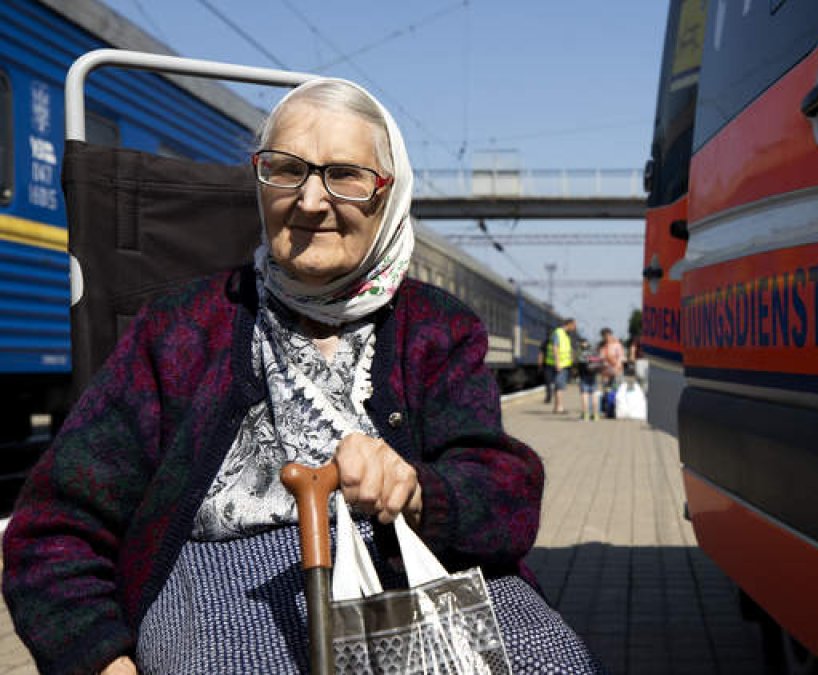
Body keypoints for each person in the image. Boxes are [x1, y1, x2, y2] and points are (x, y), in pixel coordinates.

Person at [1, 78, 602, 675]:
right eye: (286, 169)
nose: (311, 201)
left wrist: (417, 490)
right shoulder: (178, 330)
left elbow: (508, 502)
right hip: (220, 588)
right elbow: (51, 531)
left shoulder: (439, 328)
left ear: (388, 196)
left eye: (345, 174)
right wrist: (101, 660)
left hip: (414, 572)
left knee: (553, 662)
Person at [548, 317, 575, 414]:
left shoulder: (565, 334)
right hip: (560, 365)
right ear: (569, 324)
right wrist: (557, 363)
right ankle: (559, 407)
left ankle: (556, 407)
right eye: (574, 325)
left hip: (564, 364)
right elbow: (555, 347)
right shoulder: (559, 332)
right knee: (560, 386)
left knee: (558, 386)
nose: (574, 328)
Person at [575, 339, 600, 421]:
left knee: (584, 395)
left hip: (583, 377)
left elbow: (576, 365)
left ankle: (586, 415)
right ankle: (596, 415)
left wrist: (576, 376)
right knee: (594, 395)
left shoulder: (580, 352)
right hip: (593, 377)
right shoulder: (594, 352)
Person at [599, 327, 626, 391]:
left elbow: (621, 357)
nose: (606, 337)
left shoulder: (617, 345)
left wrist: (617, 367)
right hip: (606, 372)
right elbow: (601, 358)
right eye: (604, 336)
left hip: (617, 371)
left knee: (617, 391)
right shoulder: (602, 346)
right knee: (607, 391)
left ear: (611, 335)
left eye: (607, 335)